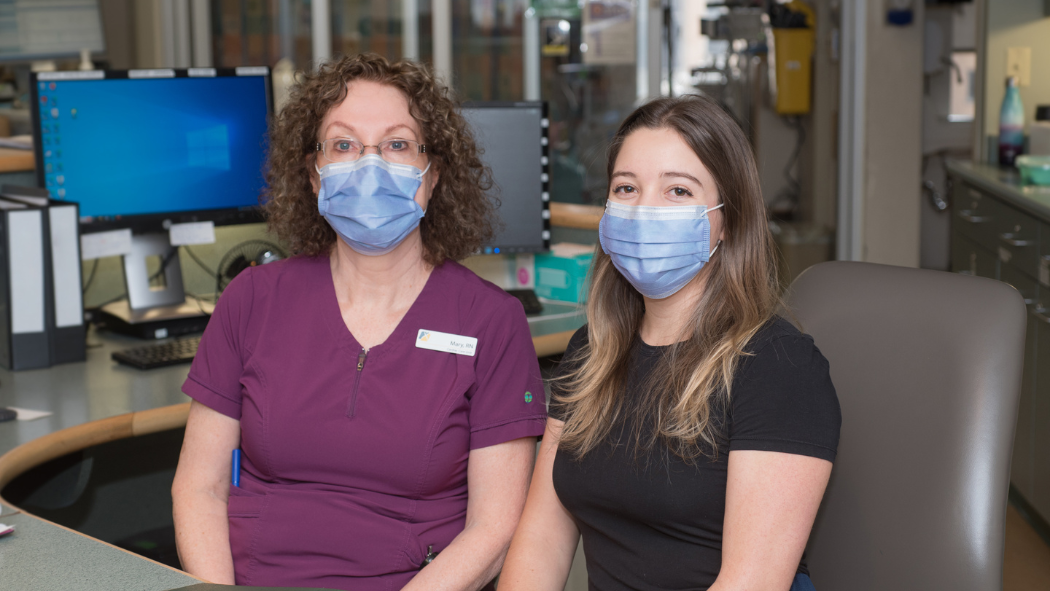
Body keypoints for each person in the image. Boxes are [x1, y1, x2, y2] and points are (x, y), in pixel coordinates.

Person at [171, 53, 546, 591]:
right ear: (313, 171)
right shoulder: (253, 298)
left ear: (432, 173)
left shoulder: (491, 321)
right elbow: (198, 487)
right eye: (343, 145)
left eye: (396, 144)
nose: (369, 165)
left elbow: (496, 529)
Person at [500, 95, 841, 591]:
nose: (644, 212)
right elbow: (540, 542)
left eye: (678, 190)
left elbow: (752, 581)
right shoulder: (590, 353)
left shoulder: (779, 367)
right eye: (626, 188)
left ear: (728, 220)